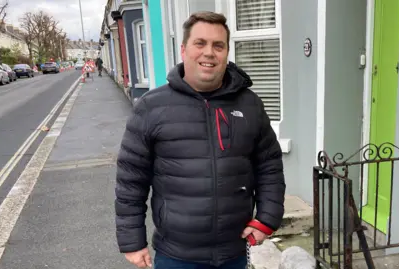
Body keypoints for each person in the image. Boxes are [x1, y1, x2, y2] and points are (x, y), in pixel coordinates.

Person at [115, 11, 286, 269]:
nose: (209, 52)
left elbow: (269, 166)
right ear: (184, 50)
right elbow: (131, 179)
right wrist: (132, 241)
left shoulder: (249, 104)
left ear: (226, 53)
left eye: (218, 45)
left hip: (235, 251)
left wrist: (266, 219)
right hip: (176, 256)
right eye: (200, 43)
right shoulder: (151, 107)